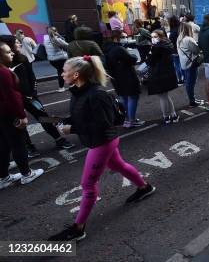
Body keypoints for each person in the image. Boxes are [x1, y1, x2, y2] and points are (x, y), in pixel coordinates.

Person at [48, 55, 155, 241]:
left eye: (64, 71)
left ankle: (78, 228)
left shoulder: (97, 95)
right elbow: (83, 116)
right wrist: (67, 121)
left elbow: (103, 124)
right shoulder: (78, 91)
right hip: (100, 140)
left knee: (88, 185)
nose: (62, 73)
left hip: (102, 142)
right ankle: (144, 187)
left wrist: (72, 128)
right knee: (118, 166)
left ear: (76, 74)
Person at [1, 35, 76, 155]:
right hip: (15, 99)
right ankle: (29, 146)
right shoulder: (4, 66)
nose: (19, 44)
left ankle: (59, 139)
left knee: (43, 116)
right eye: (16, 43)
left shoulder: (23, 59)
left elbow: (32, 77)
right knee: (21, 122)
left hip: (30, 97)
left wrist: (32, 93)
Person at [0, 41, 44, 190]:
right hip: (10, 114)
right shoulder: (4, 73)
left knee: (4, 145)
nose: (11, 53)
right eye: (7, 52)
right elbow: (12, 97)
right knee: (18, 144)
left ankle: (4, 177)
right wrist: (21, 115)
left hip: (1, 115)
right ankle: (26, 174)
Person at [103, 31, 144, 128]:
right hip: (127, 76)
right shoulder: (119, 49)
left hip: (116, 77)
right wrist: (133, 56)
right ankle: (132, 120)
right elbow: (131, 59)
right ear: (116, 38)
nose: (125, 39)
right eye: (123, 37)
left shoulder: (106, 49)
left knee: (123, 98)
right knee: (133, 97)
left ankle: (127, 119)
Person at [147, 30, 179, 125]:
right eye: (152, 37)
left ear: (161, 37)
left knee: (162, 97)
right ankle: (173, 115)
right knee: (166, 96)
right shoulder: (167, 45)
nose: (153, 39)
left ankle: (166, 117)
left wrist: (149, 53)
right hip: (167, 73)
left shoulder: (157, 48)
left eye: (155, 37)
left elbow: (150, 62)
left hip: (158, 74)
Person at [177, 22, 201, 108]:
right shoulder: (188, 39)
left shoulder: (179, 38)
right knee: (191, 83)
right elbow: (196, 50)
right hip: (191, 63)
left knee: (188, 82)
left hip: (184, 63)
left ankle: (193, 99)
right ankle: (192, 101)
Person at [44, 26, 70, 92]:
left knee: (60, 71)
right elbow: (68, 45)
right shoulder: (58, 39)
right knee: (66, 70)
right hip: (61, 58)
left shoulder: (45, 41)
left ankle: (61, 87)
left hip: (52, 60)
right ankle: (71, 84)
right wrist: (60, 36)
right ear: (56, 32)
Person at [167, 16, 184, 85]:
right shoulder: (181, 29)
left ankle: (180, 79)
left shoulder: (172, 32)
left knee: (177, 65)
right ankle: (185, 78)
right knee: (182, 64)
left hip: (174, 50)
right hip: (182, 49)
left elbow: (170, 42)